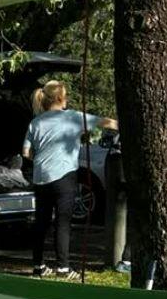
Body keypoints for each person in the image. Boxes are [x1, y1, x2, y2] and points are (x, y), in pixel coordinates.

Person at [23, 80, 116, 276]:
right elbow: (105, 123)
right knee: (63, 223)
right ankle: (63, 267)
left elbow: (25, 152)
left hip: (41, 178)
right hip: (64, 176)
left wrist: (40, 158)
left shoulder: (36, 122)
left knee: (41, 223)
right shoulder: (73, 118)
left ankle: (38, 266)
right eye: (66, 96)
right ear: (59, 98)